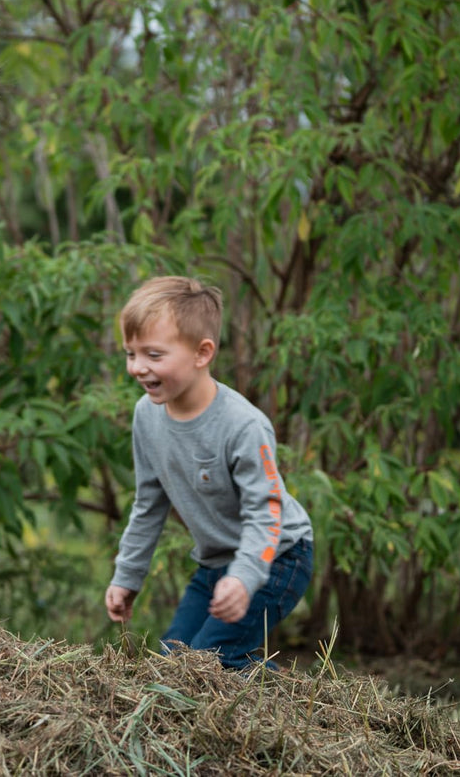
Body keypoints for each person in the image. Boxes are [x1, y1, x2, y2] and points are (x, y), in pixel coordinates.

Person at [104, 276, 314, 670]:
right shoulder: (146, 416)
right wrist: (127, 576)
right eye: (130, 354)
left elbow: (265, 514)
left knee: (209, 664)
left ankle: (299, 708)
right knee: (173, 664)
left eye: (153, 354)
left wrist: (244, 578)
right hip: (217, 562)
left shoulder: (243, 426)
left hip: (278, 557)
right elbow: (148, 504)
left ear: (202, 353)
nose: (137, 368)